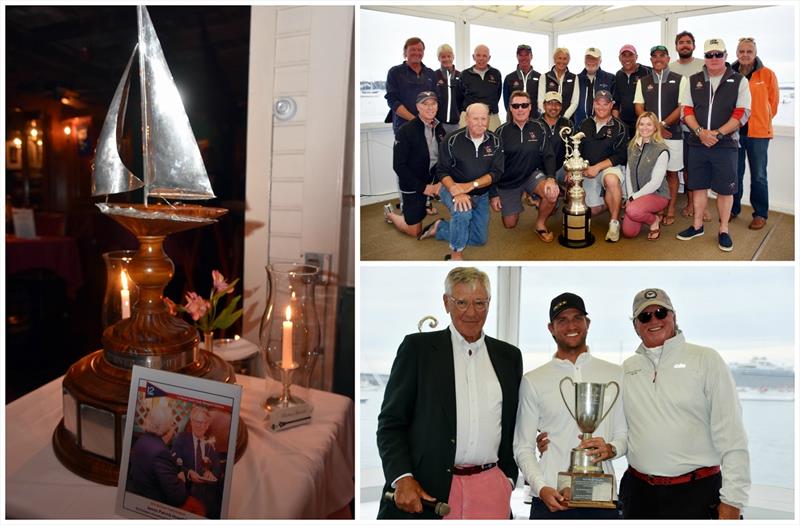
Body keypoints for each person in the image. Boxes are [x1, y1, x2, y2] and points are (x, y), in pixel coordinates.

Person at [376, 267, 523, 519]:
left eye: (479, 303)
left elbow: (513, 422)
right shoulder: (417, 349)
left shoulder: (509, 356)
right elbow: (391, 423)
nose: (471, 312)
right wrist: (402, 477)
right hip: (429, 492)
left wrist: (507, 479)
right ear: (446, 303)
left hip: (491, 490)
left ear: (489, 303)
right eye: (462, 302)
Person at [620, 288, 750, 519]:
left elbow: (732, 435)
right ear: (636, 326)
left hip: (696, 494)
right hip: (638, 494)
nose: (654, 320)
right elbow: (620, 430)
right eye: (644, 316)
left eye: (661, 312)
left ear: (674, 316)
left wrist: (733, 500)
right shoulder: (628, 368)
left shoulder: (706, 359)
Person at [514, 292, 626, 519]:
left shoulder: (616, 374)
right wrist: (541, 488)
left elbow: (624, 434)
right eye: (562, 320)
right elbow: (522, 448)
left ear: (588, 323)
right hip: (551, 498)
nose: (571, 325)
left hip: (602, 500)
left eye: (577, 318)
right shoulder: (534, 380)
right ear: (551, 328)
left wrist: (612, 448)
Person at [677, 38, 751, 252]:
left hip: (726, 144)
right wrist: (700, 132)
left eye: (718, 54)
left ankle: (724, 229)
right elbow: (686, 110)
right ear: (705, 57)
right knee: (698, 186)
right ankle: (697, 225)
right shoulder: (693, 80)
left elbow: (742, 113)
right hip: (698, 142)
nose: (714, 58)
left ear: (726, 56)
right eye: (709, 55)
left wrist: (717, 134)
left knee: (724, 191)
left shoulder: (739, 80)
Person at [418, 103, 503, 261]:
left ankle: (441, 228)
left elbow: (496, 173)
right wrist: (457, 190)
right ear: (467, 119)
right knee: (463, 212)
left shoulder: (495, 141)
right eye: (475, 118)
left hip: (480, 194)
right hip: (451, 187)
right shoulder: (451, 140)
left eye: (483, 119)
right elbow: (442, 171)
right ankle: (455, 254)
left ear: (488, 120)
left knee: (479, 239)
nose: (480, 123)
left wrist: (471, 187)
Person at [492, 91, 558, 242]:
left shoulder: (539, 128)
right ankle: (529, 197)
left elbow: (549, 155)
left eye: (524, 105)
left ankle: (540, 224)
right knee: (510, 224)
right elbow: (493, 166)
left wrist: (551, 178)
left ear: (530, 108)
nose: (520, 109)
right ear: (510, 108)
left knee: (552, 193)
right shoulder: (501, 132)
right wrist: (493, 193)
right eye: (516, 106)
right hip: (508, 181)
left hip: (531, 175)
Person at [634, 45, 687, 225]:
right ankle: (656, 207)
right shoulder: (643, 81)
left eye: (662, 56)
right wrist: (655, 128)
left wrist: (662, 125)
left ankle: (670, 209)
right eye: (654, 56)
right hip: (651, 134)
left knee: (671, 173)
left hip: (673, 133)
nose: (658, 59)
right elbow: (639, 106)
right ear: (650, 60)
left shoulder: (680, 79)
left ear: (668, 58)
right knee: (653, 173)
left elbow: (682, 108)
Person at [731, 37, 779, 230]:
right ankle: (733, 209)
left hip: (758, 134)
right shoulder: (730, 74)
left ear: (755, 53)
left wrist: (761, 121)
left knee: (759, 175)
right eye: (742, 51)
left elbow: (773, 105)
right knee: (735, 173)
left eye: (749, 51)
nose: (745, 55)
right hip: (734, 132)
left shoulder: (767, 74)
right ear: (737, 53)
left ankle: (760, 213)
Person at [386, 91, 446, 238]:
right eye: (425, 104)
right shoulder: (405, 131)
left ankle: (431, 208)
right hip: (413, 183)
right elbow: (399, 166)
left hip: (432, 178)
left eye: (433, 103)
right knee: (415, 231)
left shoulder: (439, 128)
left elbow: (444, 157)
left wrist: (439, 182)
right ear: (417, 107)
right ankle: (390, 214)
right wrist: (423, 188)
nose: (430, 107)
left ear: (437, 106)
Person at [576, 89, 628, 242]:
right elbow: (577, 149)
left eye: (605, 104)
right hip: (588, 169)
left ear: (611, 105)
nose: (601, 107)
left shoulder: (620, 127)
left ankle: (614, 222)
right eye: (598, 104)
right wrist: (579, 169)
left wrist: (598, 167)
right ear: (593, 104)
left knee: (611, 180)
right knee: (590, 211)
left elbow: (621, 155)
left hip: (608, 168)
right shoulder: (584, 124)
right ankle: (610, 201)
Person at [669, 31, 708, 221]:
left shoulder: (703, 64)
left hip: (699, 126)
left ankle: (699, 205)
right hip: (678, 128)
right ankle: (690, 203)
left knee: (698, 167)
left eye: (688, 42)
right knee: (685, 167)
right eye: (681, 42)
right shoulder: (670, 67)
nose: (684, 45)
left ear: (693, 45)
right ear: (676, 46)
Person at [622, 112, 671, 241]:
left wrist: (633, 198)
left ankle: (653, 220)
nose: (645, 128)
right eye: (641, 124)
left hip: (657, 194)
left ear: (655, 127)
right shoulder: (632, 146)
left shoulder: (661, 149)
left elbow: (655, 183)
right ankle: (640, 210)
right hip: (637, 195)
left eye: (649, 124)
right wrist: (630, 194)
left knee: (632, 211)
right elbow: (628, 172)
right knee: (629, 232)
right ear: (637, 126)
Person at [127, 404, 188, 507]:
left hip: (137, 494)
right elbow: (177, 497)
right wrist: (181, 480)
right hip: (152, 506)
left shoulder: (142, 439)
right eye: (172, 424)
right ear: (167, 428)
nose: (173, 428)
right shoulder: (160, 452)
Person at [172, 405, 223, 518]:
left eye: (205, 423)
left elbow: (217, 466)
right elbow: (173, 463)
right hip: (187, 492)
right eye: (198, 422)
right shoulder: (182, 439)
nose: (202, 426)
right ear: (191, 422)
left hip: (207, 497)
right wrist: (188, 473)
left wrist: (211, 473)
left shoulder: (210, 443)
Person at [385, 37, 437, 135]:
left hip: (427, 127)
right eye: (413, 49)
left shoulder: (431, 73)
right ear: (405, 52)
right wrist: (415, 120)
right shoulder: (395, 72)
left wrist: (429, 120)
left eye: (420, 50)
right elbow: (392, 100)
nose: (417, 53)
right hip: (403, 127)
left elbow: (436, 99)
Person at [459, 45, 503, 131]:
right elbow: (459, 97)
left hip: (491, 116)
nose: (481, 58)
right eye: (478, 55)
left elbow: (497, 95)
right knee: (467, 143)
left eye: (484, 56)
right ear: (473, 57)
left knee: (493, 142)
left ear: (489, 58)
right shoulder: (464, 74)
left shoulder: (496, 74)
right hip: (470, 117)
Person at [612, 44, 651, 139]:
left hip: (644, 122)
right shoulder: (618, 75)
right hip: (624, 123)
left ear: (636, 57)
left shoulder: (647, 71)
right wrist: (616, 123)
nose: (627, 58)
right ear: (619, 58)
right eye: (624, 55)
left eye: (630, 55)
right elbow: (616, 100)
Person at [536, 91, 573, 187]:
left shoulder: (567, 124)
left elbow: (573, 148)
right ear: (544, 105)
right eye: (550, 103)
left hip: (562, 169)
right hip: (541, 170)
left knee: (576, 178)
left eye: (557, 104)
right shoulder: (535, 125)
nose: (553, 107)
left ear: (561, 107)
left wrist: (571, 169)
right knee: (547, 193)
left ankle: (565, 194)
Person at [573, 47, 615, 126]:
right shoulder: (576, 79)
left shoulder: (610, 78)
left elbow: (615, 103)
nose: (591, 61)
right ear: (584, 60)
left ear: (600, 61)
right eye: (588, 58)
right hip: (579, 125)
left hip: (603, 125)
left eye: (594, 59)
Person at [538, 48, 579, 120]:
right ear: (554, 59)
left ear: (568, 60)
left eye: (565, 58)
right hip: (547, 120)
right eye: (559, 58)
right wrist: (547, 117)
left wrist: (564, 118)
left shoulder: (574, 78)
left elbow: (575, 102)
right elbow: (540, 101)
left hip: (567, 120)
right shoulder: (544, 77)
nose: (562, 61)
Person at [503, 44, 542, 120]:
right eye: (521, 55)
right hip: (514, 120)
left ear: (531, 56)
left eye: (526, 55)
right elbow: (506, 102)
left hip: (535, 119)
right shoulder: (509, 78)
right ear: (517, 57)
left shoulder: (540, 77)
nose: (524, 58)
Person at [434, 44, 462, 134]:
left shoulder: (461, 76)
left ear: (453, 57)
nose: (446, 59)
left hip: (456, 123)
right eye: (443, 57)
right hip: (437, 123)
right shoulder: (434, 75)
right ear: (439, 58)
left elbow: (464, 98)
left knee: (454, 147)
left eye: (449, 56)